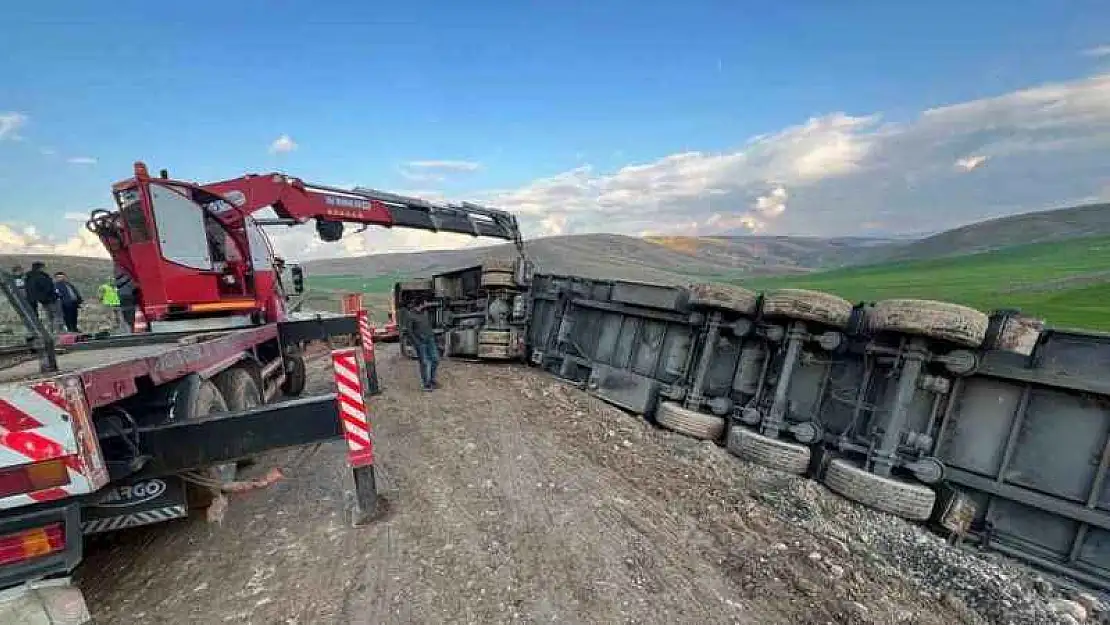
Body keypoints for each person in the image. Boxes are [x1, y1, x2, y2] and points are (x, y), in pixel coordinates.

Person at [403, 298, 439, 391]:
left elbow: (428, 325)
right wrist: (417, 343)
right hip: (421, 343)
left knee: (435, 359)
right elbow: (409, 331)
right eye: (426, 303)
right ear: (421, 304)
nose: (427, 304)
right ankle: (426, 384)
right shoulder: (410, 315)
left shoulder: (425, 313)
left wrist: (432, 335)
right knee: (424, 363)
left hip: (430, 340)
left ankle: (432, 380)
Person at [23, 262, 62, 332]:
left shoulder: (29, 277)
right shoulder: (41, 277)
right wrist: (53, 295)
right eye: (43, 267)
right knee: (56, 316)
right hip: (50, 299)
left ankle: (51, 331)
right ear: (40, 268)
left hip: (41, 300)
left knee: (49, 317)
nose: (45, 269)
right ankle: (57, 332)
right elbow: (48, 288)